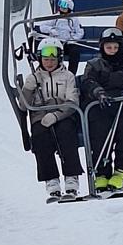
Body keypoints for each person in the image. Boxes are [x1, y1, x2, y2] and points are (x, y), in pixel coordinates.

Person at [80, 29, 123, 192]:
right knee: (99, 130)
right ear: (102, 48)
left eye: (115, 47)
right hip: (102, 104)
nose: (112, 51)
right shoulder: (95, 65)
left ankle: (121, 170)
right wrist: (98, 93)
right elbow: (88, 82)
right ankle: (101, 174)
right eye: (108, 47)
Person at [18, 40, 84, 201]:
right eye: (46, 59)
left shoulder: (68, 76)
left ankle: (71, 176)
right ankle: (51, 179)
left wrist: (57, 115)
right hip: (40, 116)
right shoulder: (34, 77)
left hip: (63, 114)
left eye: (53, 59)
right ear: (40, 60)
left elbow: (72, 101)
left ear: (59, 59)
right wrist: (28, 88)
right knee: (40, 137)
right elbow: (23, 105)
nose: (49, 63)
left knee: (66, 133)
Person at [35, 0, 85, 73]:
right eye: (61, 6)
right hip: (56, 42)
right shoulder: (55, 17)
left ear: (69, 8)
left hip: (68, 43)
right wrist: (51, 30)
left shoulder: (74, 19)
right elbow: (42, 26)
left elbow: (80, 32)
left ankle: (71, 73)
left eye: (64, 7)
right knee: (54, 52)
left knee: (75, 52)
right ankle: (56, 72)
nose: (62, 8)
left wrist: (72, 39)